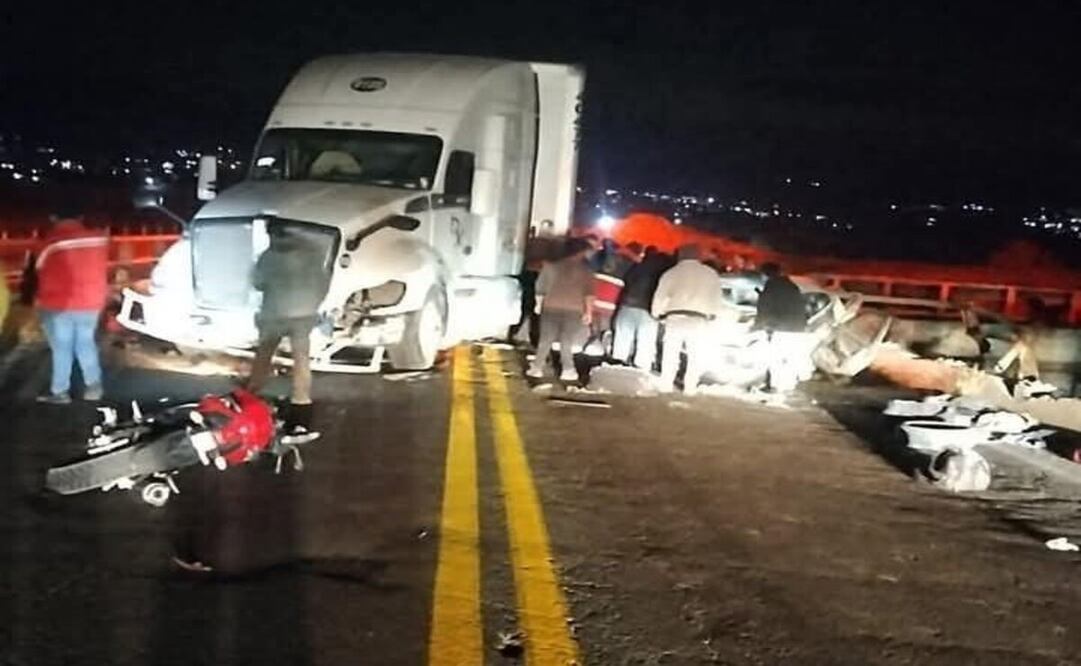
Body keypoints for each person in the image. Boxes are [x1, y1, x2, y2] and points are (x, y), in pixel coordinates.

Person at [246, 221, 332, 434]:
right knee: (301, 360)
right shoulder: (313, 254)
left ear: (272, 235)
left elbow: (257, 283)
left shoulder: (269, 256)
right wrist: (312, 304)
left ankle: (251, 397)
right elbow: (324, 283)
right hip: (304, 314)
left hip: (274, 313)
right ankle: (301, 404)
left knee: (264, 355)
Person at [35, 202, 109, 404]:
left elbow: (39, 270)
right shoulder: (98, 239)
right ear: (81, 217)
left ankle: (60, 392)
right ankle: (94, 387)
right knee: (86, 343)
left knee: (62, 347)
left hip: (61, 304)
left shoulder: (50, 243)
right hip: (92, 303)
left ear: (53, 218)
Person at [652, 244, 729, 395]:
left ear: (680, 256)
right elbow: (716, 298)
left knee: (671, 353)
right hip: (699, 319)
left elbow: (660, 296)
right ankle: (690, 387)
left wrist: (657, 313)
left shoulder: (671, 273)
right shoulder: (710, 273)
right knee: (695, 355)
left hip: (675, 316)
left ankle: (666, 384)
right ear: (698, 256)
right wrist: (714, 315)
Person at [527, 237, 595, 382]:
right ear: (582, 252)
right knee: (566, 341)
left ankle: (537, 368)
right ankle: (568, 370)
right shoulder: (586, 271)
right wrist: (588, 312)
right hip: (574, 309)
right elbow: (589, 294)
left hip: (550, 307)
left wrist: (538, 305)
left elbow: (540, 288)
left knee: (545, 339)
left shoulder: (551, 266)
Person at [754, 263, 809, 392]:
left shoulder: (772, 285)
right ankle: (788, 385)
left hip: (782, 328)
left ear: (766, 274)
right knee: (790, 358)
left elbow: (765, 306)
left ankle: (775, 386)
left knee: (775, 358)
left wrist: (759, 325)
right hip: (797, 327)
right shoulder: (791, 285)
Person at [612, 246, 665, 370]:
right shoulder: (661, 271)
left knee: (622, 340)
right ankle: (641, 368)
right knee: (646, 343)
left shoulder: (636, 267)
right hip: (648, 310)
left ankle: (617, 366)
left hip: (628, 305)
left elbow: (627, 281)